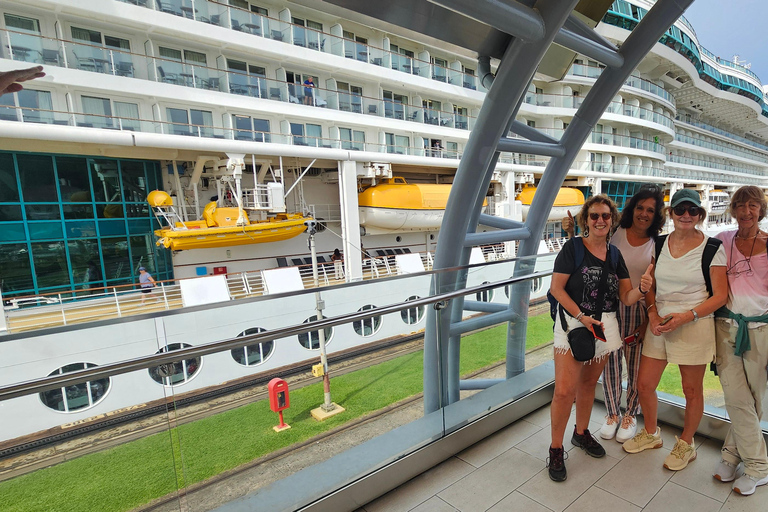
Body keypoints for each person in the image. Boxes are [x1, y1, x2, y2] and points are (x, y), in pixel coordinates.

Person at [547, 194, 652, 482]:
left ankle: (581, 433)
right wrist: (581, 316)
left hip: (605, 324)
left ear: (612, 220)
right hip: (575, 323)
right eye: (594, 216)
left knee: (589, 384)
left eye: (606, 216)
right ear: (586, 220)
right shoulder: (573, 248)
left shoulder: (615, 256)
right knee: (564, 391)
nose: (600, 220)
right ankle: (556, 448)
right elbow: (557, 289)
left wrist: (642, 289)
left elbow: (626, 296)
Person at [622, 189, 727, 472]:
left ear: (700, 215)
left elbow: (719, 296)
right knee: (644, 384)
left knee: (691, 390)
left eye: (692, 211)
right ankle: (652, 433)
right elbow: (650, 284)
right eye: (680, 210)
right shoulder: (659, 243)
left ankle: (686, 443)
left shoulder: (712, 248)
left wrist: (686, 316)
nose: (686, 215)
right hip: (659, 323)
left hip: (693, 324)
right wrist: (653, 313)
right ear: (671, 213)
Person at [712, 186, 768, 495]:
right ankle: (760, 466)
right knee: (737, 396)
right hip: (726, 328)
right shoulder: (723, 240)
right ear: (733, 210)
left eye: (753, 205)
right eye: (741, 206)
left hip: (762, 330)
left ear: (761, 209)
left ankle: (732, 456)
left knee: (755, 399)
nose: (746, 211)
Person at [599, 186, 665, 443]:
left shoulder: (656, 244)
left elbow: (655, 285)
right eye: (640, 208)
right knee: (611, 362)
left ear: (656, 215)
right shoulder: (615, 232)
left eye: (650, 210)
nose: (644, 214)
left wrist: (648, 320)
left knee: (637, 365)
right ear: (632, 208)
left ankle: (631, 414)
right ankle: (613, 413)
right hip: (611, 305)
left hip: (639, 308)